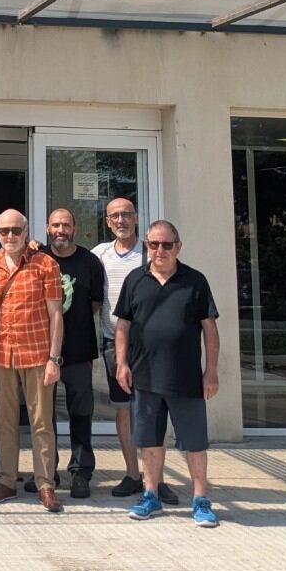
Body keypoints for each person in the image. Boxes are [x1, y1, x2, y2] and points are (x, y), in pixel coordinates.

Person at [114, 219, 221, 526]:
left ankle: (201, 498)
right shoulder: (135, 279)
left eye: (166, 245)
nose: (159, 250)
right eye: (153, 244)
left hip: (186, 377)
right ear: (146, 246)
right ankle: (151, 495)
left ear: (178, 247)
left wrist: (211, 371)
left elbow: (209, 329)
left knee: (195, 441)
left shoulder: (195, 281)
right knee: (149, 440)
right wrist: (122, 363)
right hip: (144, 376)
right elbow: (123, 326)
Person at [0, 210, 64, 513]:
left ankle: (45, 484)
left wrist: (54, 358)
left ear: (26, 231)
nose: (11, 236)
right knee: (4, 421)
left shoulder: (46, 264)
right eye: (4, 231)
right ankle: (7, 480)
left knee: (41, 423)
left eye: (16, 230)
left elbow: (56, 314)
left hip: (38, 353)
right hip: (2, 354)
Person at [93, 197, 175, 503]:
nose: (121, 220)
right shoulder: (99, 254)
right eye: (115, 216)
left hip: (150, 344)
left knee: (155, 411)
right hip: (114, 342)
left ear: (136, 218)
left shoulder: (151, 251)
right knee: (125, 410)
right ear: (107, 221)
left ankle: (158, 478)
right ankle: (132, 474)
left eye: (126, 214)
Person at [39, 208, 105, 500]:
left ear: (74, 227)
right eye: (56, 225)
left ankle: (80, 472)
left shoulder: (89, 261)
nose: (60, 230)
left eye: (66, 224)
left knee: (81, 413)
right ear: (47, 228)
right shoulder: (37, 257)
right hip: (42, 353)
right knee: (45, 415)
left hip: (79, 352)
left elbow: (94, 304)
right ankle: (48, 473)